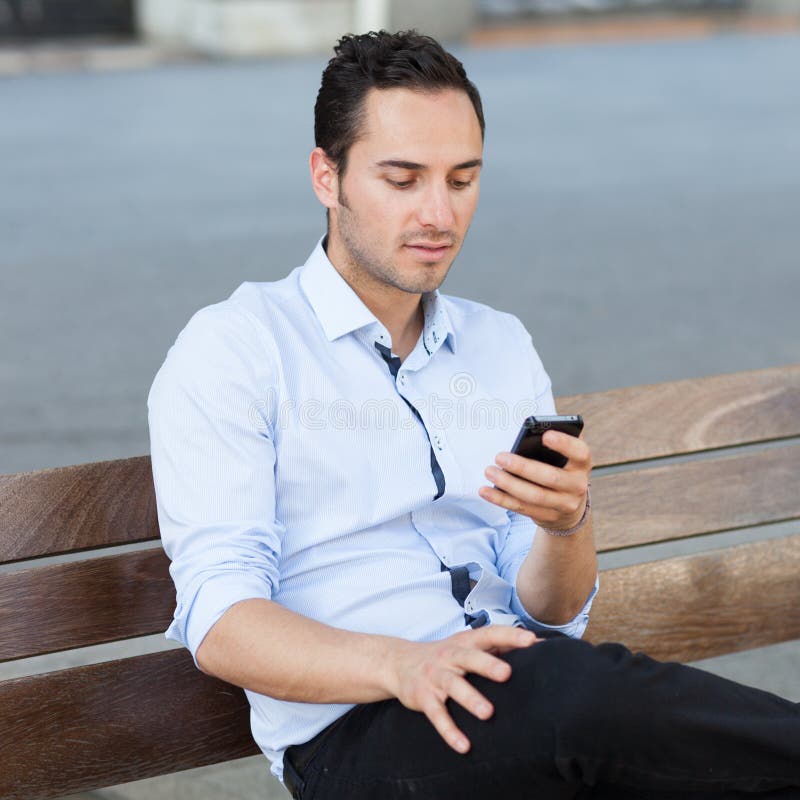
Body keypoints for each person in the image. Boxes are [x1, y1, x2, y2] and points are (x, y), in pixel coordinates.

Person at [147, 29, 800, 800]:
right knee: (569, 696)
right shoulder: (239, 347)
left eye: (462, 179)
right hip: (358, 734)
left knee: (566, 692)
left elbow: (553, 615)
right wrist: (405, 663)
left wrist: (565, 526)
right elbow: (222, 619)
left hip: (521, 696)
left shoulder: (498, 344)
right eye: (403, 178)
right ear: (328, 177)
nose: (439, 213)